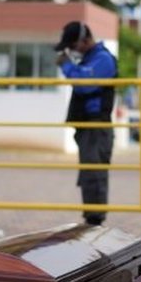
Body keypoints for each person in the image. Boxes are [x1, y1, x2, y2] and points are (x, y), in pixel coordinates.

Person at [54, 21, 118, 226]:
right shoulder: (90, 59)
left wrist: (66, 65)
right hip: (88, 128)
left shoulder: (103, 59)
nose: (71, 51)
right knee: (89, 174)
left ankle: (95, 221)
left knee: (94, 174)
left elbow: (84, 85)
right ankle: (91, 218)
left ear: (84, 40)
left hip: (96, 127)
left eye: (72, 46)